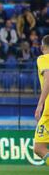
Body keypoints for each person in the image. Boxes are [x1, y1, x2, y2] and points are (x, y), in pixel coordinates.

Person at [33, 35, 49, 166]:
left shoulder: (43, 58)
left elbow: (47, 78)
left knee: (39, 148)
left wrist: (40, 104)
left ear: (42, 47)